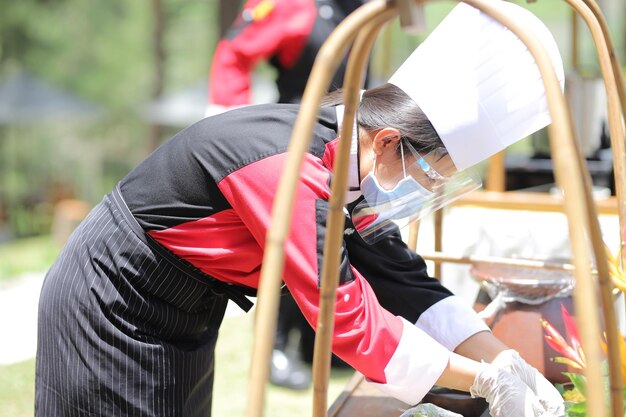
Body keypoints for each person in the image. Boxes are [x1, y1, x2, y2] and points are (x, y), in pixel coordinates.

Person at [36, 2, 566, 417]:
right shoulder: (290, 165)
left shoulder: (352, 170)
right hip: (114, 298)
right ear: (384, 142)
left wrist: (505, 360)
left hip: (186, 305)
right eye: (427, 174)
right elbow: (346, 319)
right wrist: (479, 379)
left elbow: (405, 282)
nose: (423, 189)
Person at [208, 0, 367, 389]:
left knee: (336, 242)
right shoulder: (291, 5)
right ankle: (275, 350)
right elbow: (233, 53)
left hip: (343, 138)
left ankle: (321, 344)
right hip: (292, 140)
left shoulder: (366, 8)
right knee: (285, 247)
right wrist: (228, 131)